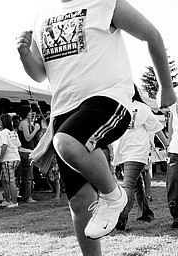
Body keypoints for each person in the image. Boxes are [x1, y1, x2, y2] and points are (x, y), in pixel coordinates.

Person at [16, 0, 176, 255]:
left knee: (66, 142)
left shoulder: (105, 1)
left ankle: (114, 196)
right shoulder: (42, 15)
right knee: (80, 203)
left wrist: (165, 87)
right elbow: (39, 73)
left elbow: (151, 35)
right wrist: (25, 55)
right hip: (63, 111)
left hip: (108, 98)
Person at [113, 85, 167, 230]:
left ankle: (120, 220)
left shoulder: (140, 107)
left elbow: (156, 127)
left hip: (135, 152)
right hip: (124, 153)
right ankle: (145, 213)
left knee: (128, 184)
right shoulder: (120, 106)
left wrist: (168, 145)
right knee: (136, 185)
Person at [17, 105, 40, 203]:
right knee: (28, 175)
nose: (31, 113)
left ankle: (25, 194)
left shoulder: (26, 123)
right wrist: (36, 129)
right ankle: (28, 196)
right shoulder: (24, 123)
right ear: (26, 113)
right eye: (30, 112)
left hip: (27, 151)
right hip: (26, 151)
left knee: (28, 175)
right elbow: (27, 138)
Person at [0, 114, 21, 208]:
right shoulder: (14, 132)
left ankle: (14, 202)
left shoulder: (3, 133)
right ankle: (7, 199)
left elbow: (4, 146)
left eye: (0, 121)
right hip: (15, 157)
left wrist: (1, 157)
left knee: (11, 180)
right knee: (3, 179)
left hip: (8, 159)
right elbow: (19, 146)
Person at [166, 87, 178, 229]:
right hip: (175, 148)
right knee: (173, 184)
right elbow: (171, 118)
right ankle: (176, 216)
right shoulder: (173, 91)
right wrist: (169, 141)